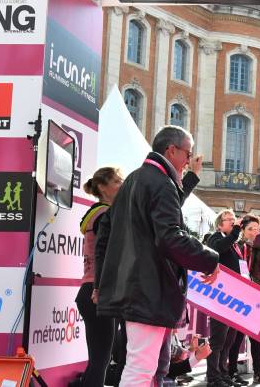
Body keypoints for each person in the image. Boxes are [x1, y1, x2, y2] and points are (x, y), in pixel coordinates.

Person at [94, 126, 220, 387]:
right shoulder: (160, 183)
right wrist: (209, 258)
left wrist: (101, 282)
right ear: (171, 150)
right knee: (142, 367)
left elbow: (105, 232)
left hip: (138, 287)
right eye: (188, 153)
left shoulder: (135, 180)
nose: (189, 160)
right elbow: (170, 237)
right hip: (148, 289)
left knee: (148, 366)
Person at [77, 167, 123, 387]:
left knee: (98, 360)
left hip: (91, 290)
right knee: (100, 361)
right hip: (98, 291)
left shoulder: (96, 214)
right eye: (116, 181)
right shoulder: (105, 215)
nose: (121, 184)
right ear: (103, 188)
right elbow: (108, 253)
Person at [228, 213, 260, 385]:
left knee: (256, 335)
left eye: (256, 229)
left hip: (254, 293)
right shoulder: (235, 245)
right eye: (250, 229)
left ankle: (258, 372)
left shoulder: (259, 247)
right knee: (236, 336)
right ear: (242, 229)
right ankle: (231, 371)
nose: (254, 232)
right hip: (237, 294)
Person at [203, 210, 244, 387]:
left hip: (233, 295)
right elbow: (218, 249)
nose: (233, 223)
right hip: (220, 296)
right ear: (220, 224)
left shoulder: (234, 243)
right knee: (218, 339)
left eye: (234, 220)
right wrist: (235, 231)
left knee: (229, 339)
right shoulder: (215, 238)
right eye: (229, 220)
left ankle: (222, 373)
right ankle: (213, 377)